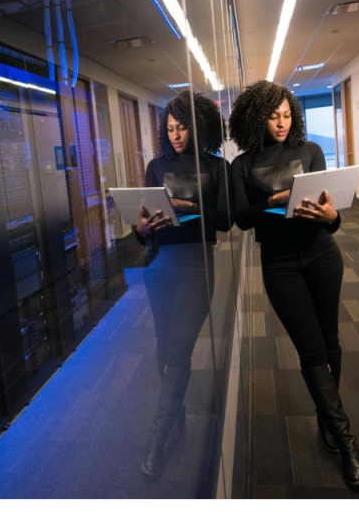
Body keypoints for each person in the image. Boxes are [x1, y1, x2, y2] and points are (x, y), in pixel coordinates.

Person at [228, 80, 359, 486]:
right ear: (257, 118)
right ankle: (347, 442)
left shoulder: (310, 151)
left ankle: (327, 418)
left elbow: (331, 215)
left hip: (322, 253)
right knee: (310, 350)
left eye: (287, 115)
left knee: (330, 339)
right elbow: (241, 218)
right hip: (279, 263)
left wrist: (332, 217)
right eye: (273, 116)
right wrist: (272, 202)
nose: (282, 122)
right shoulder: (242, 165)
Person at [134, 90, 230, 478]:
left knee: (179, 348)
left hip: (197, 266)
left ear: (199, 126)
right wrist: (142, 229)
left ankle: (158, 440)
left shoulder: (216, 167)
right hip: (161, 265)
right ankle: (176, 419)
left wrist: (192, 208)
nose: (175, 135)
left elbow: (227, 221)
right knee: (164, 348)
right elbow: (145, 228)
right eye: (170, 128)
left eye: (182, 127)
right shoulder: (156, 167)